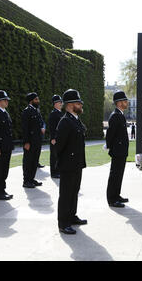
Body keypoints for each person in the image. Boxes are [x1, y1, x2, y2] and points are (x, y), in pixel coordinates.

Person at [56, 89, 87, 235]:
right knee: (66, 194)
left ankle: (72, 216)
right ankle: (63, 223)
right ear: (69, 105)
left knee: (74, 191)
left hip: (77, 163)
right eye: (78, 103)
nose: (81, 105)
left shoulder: (75, 119)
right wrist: (64, 162)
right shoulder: (65, 122)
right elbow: (59, 146)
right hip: (68, 165)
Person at [106, 90, 130, 207]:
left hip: (121, 150)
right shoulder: (115, 115)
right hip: (117, 151)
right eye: (125, 101)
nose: (127, 102)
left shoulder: (120, 114)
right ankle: (112, 198)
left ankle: (117, 195)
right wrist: (110, 147)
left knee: (119, 174)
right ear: (119, 102)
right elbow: (110, 134)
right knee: (115, 175)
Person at [21, 92, 45, 188]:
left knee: (35, 161)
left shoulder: (36, 110)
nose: (38, 101)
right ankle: (26, 181)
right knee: (28, 161)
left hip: (37, 140)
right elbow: (25, 128)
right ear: (31, 101)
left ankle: (31, 178)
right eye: (36, 99)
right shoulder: (26, 111)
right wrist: (26, 142)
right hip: (30, 142)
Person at [49, 95, 63, 179]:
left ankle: (58, 171)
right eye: (59, 102)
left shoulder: (59, 112)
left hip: (59, 138)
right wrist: (53, 138)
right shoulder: (53, 113)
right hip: (55, 138)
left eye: (61, 102)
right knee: (54, 156)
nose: (61, 103)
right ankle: (54, 173)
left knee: (58, 155)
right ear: (55, 103)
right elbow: (52, 127)